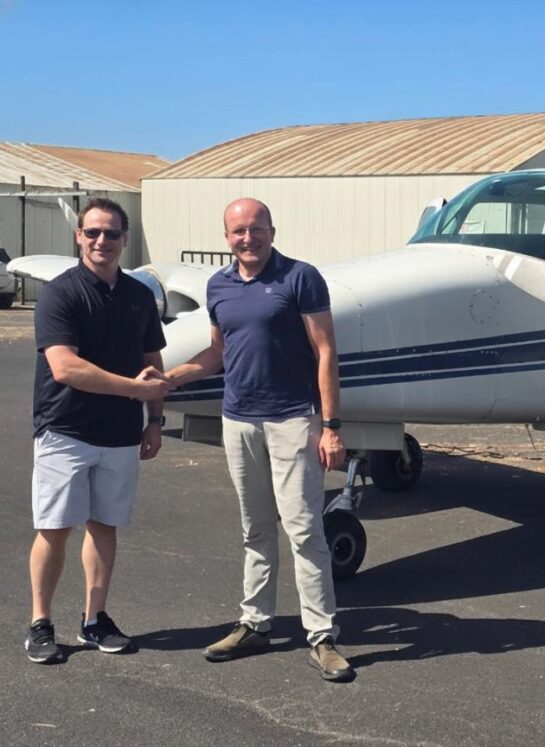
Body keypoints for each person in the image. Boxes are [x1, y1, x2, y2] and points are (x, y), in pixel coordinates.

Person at [166, 198, 353, 682]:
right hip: (240, 421)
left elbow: (326, 351)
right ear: (225, 236)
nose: (248, 238)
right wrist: (167, 379)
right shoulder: (219, 285)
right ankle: (255, 623)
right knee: (255, 528)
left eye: (256, 229)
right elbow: (217, 353)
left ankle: (321, 636)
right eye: (238, 231)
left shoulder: (299, 277)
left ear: (272, 230)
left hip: (293, 419)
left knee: (305, 529)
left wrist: (331, 426)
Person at [26, 197, 169, 664]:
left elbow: (153, 363)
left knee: (105, 527)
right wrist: (133, 390)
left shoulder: (139, 296)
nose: (101, 241)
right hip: (65, 429)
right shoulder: (61, 293)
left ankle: (95, 619)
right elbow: (65, 368)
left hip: (121, 435)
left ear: (125, 239)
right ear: (79, 237)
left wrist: (155, 420)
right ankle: (41, 624)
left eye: (111, 233)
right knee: (55, 528)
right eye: (92, 233)